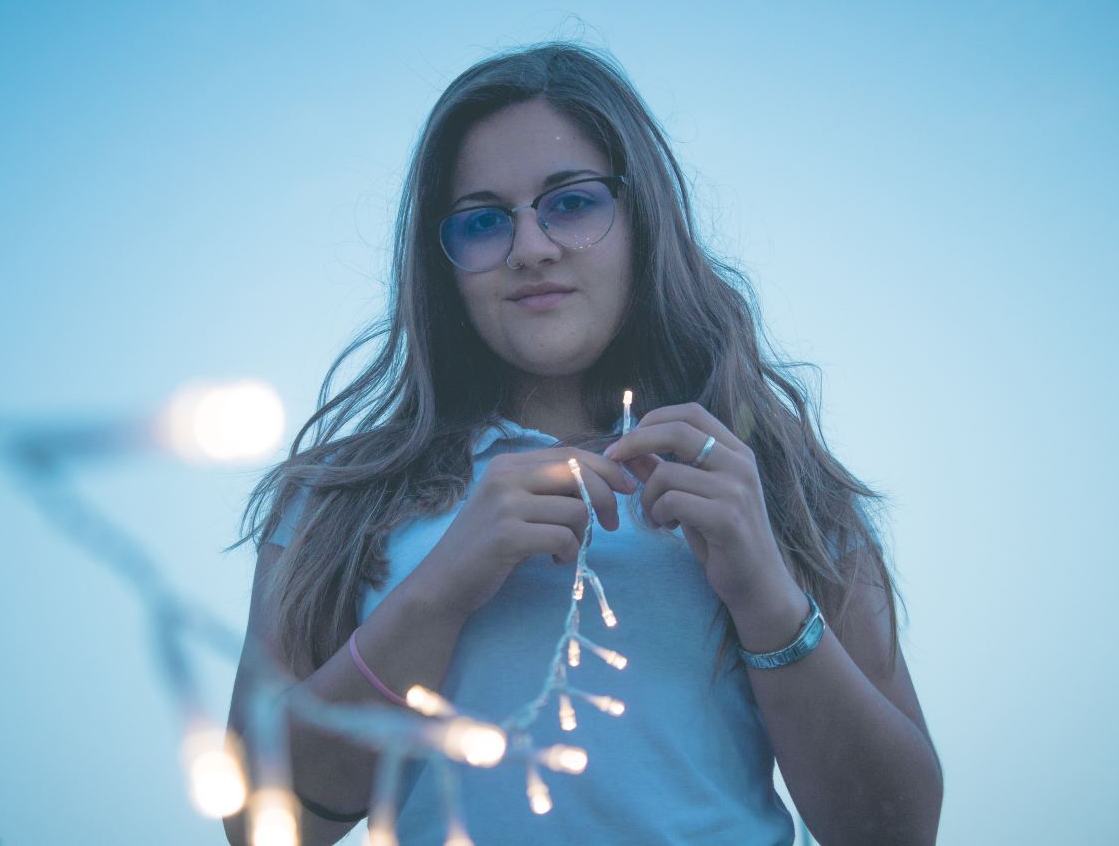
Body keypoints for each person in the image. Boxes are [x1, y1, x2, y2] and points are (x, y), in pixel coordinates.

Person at [224, 41, 943, 846]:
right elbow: (258, 823)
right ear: (443, 261)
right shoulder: (339, 497)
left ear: (643, 217)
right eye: (484, 220)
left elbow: (900, 831)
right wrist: (440, 588)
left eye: (571, 202)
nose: (531, 246)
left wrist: (767, 595)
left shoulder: (767, 477)